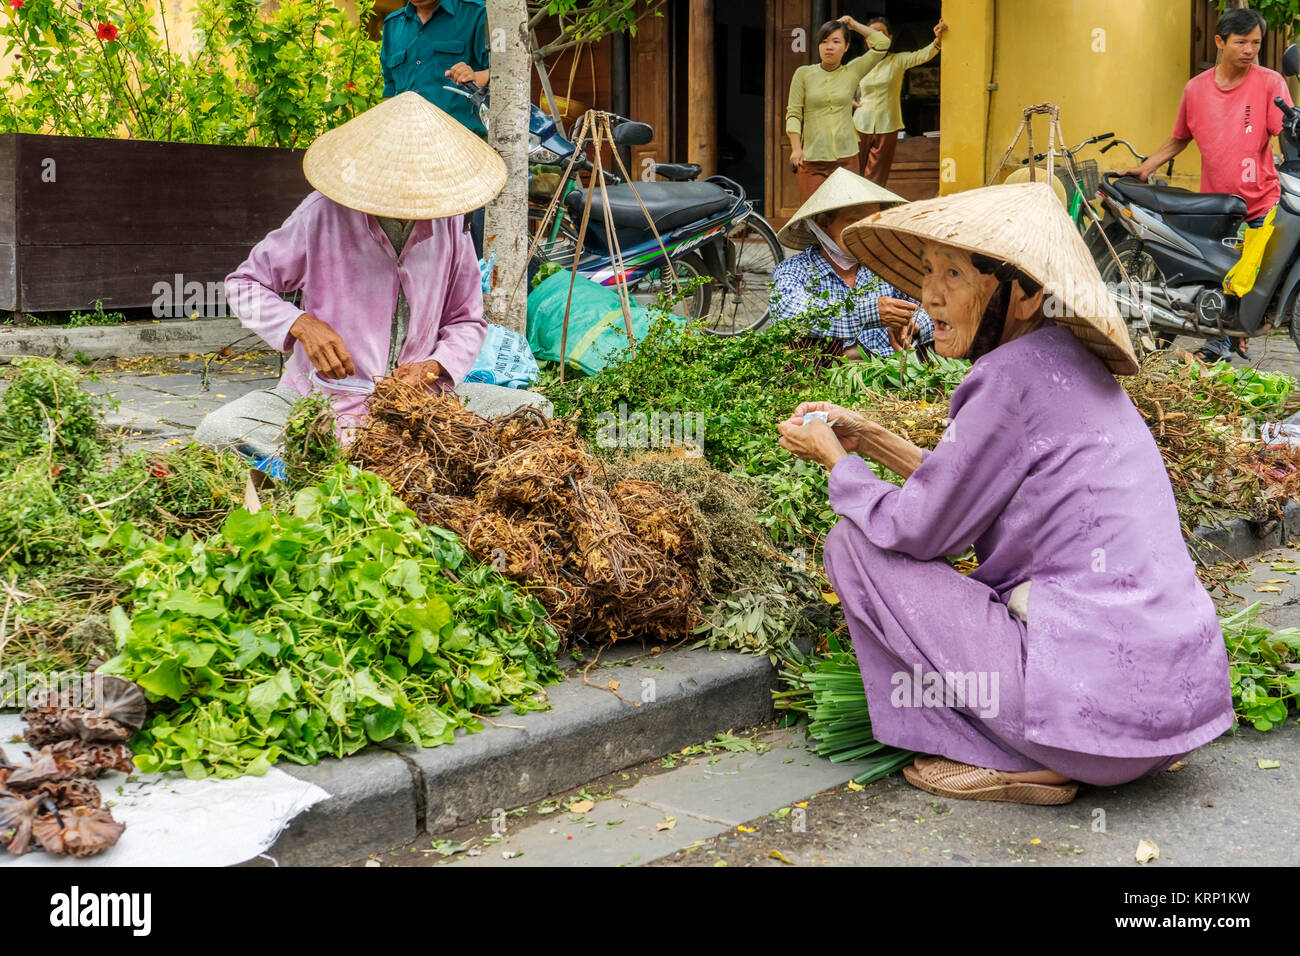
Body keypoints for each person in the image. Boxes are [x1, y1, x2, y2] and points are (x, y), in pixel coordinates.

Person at [777, 181, 1233, 804]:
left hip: (1083, 723)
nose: (928, 294)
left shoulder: (1005, 376)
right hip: (1167, 720)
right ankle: (1045, 748)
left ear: (1024, 294)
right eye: (929, 271)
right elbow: (965, 496)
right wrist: (873, 439)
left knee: (852, 544)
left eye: (955, 274)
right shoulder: (1065, 362)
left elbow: (924, 529)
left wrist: (834, 461)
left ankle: (1010, 754)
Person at [195, 92, 510, 466]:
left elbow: (467, 320)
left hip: (418, 410)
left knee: (532, 410)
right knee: (219, 430)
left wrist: (434, 366)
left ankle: (355, 462)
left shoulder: (449, 224)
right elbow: (244, 284)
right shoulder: (323, 213)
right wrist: (301, 324)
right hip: (322, 401)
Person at [1119, 7, 1293, 362]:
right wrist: (1144, 167)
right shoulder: (1195, 90)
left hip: (1261, 202)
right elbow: (1179, 138)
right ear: (1219, 41)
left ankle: (1226, 342)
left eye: (1255, 43)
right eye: (1241, 42)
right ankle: (1222, 342)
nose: (1249, 50)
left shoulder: (1270, 82)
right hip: (1215, 207)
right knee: (1216, 280)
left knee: (1254, 282)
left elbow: (1289, 131)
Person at [770, 167, 933, 360]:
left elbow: (935, 306)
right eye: (854, 222)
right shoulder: (795, 270)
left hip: (889, 376)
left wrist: (913, 324)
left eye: (870, 223)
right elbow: (789, 314)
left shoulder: (888, 267)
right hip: (823, 380)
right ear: (823, 223)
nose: (863, 232)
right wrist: (867, 313)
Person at [382, 0, 491, 254]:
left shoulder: (475, 13)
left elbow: (503, 72)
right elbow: (389, 90)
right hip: (408, 155)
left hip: (459, 154)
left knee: (464, 241)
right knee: (414, 245)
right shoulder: (393, 26)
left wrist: (475, 75)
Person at [786, 18, 892, 201]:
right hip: (812, 158)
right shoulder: (803, 74)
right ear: (818, 46)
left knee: (845, 214)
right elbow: (794, 113)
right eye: (824, 41)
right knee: (813, 216)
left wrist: (853, 25)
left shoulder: (853, 71)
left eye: (836, 41)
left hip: (846, 157)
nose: (829, 47)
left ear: (846, 47)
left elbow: (883, 44)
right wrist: (796, 148)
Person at [853, 15, 947, 185]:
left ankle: (873, 207)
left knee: (877, 173)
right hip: (859, 124)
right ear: (866, 40)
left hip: (887, 123)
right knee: (852, 170)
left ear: (889, 38)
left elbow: (921, 55)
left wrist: (938, 40)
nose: (875, 37)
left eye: (881, 33)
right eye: (871, 33)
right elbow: (839, 85)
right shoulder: (859, 64)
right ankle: (851, 208)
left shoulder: (897, 61)